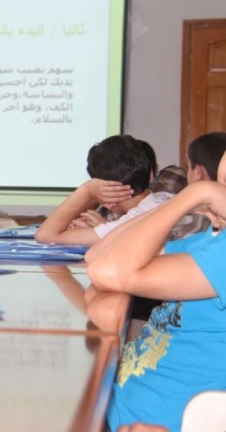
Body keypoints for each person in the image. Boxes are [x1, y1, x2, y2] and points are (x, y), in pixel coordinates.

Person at [84, 149, 226, 431]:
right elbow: (98, 255)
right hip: (113, 401)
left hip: (141, 421)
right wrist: (186, 199)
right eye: (219, 184)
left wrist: (192, 195)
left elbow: (108, 270)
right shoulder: (210, 240)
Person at [35, 135, 171, 245]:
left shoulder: (130, 224)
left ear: (105, 197)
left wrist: (87, 190)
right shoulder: (166, 198)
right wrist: (97, 231)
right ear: (151, 175)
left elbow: (45, 235)